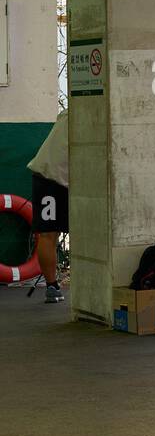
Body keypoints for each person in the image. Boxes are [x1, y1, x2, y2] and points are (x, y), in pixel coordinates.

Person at [26, 108, 69, 303]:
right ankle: (52, 285)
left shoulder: (68, 112)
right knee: (49, 234)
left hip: (47, 175)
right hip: (51, 177)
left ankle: (52, 286)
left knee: (48, 234)